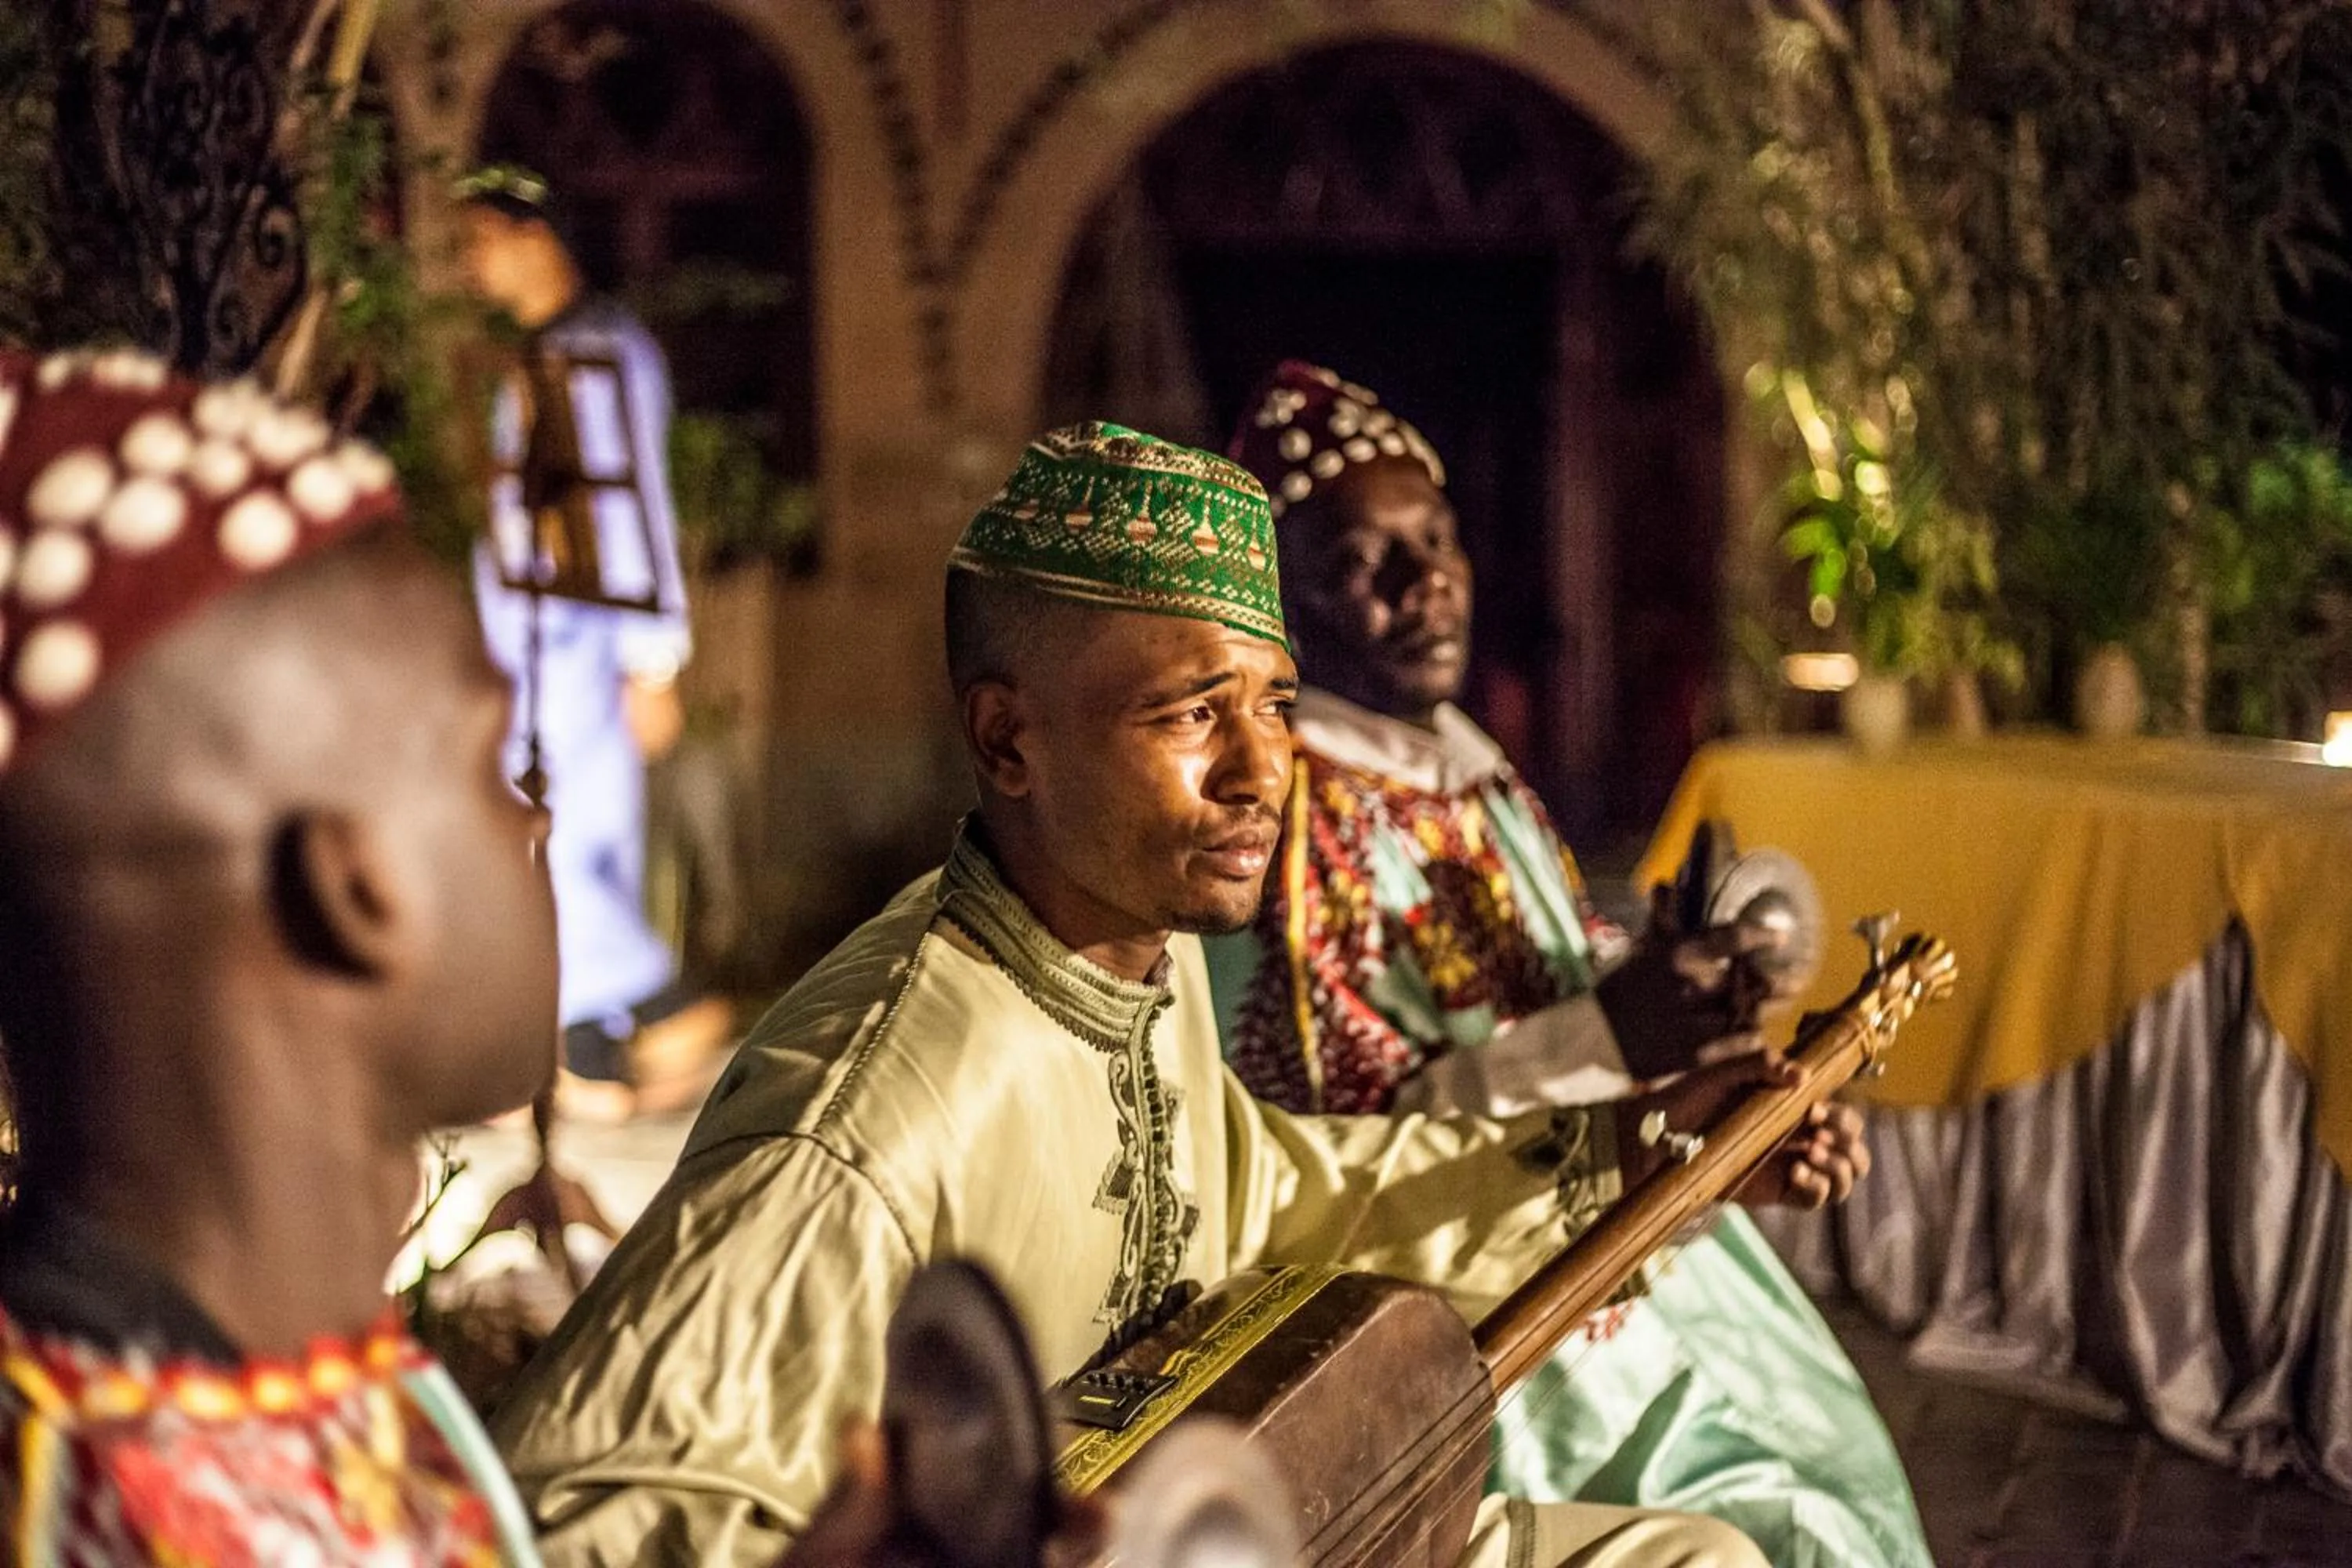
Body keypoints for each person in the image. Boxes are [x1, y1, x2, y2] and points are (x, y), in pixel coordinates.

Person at [492, 422, 1864, 1568]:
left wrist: (1652, 1141)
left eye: (1272, 704)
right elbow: (589, 1513)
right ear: (1007, 737)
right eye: (1192, 716)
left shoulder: (1142, 959)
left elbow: (1272, 1197)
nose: (1263, 772)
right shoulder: (866, 1130)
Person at [1214, 361, 1932, 1568]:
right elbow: (1341, 1159)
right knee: (1755, 1522)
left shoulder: (1455, 752)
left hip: (1621, 1202)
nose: (1425, 580)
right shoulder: (1281, 823)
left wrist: (1716, 1046)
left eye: (1437, 540)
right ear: (1282, 598)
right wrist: (1617, 1039)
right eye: (1361, 560)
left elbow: (1554, 960)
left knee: (1831, 1472)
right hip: (1490, 1292)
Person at [0, 346, 554, 1563]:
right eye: (481, 761)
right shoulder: (91, 1507)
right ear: (355, 886)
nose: (531, 820)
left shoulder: (305, 1367)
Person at [456, 167, 728, 1120]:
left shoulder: (602, 352)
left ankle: (667, 1009)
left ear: (538, 234)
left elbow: (631, 510)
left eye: (483, 234)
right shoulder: (540, 352)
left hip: (587, 650)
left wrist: (653, 660)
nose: (470, 258)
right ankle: (590, 1054)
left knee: (568, 845)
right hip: (533, 646)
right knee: (556, 839)